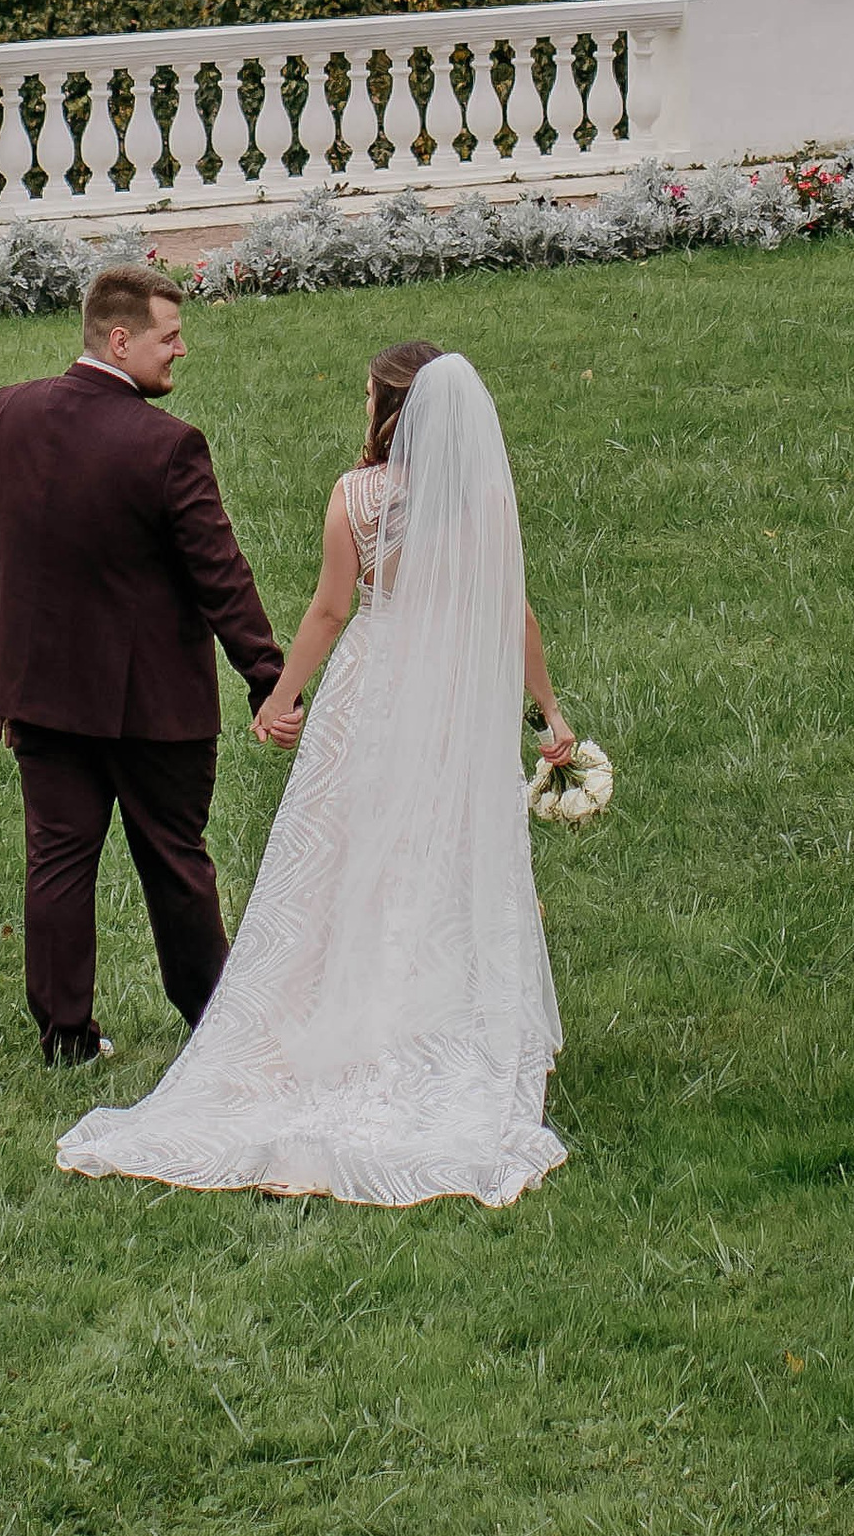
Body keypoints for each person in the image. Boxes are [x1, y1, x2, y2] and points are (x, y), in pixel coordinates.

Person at [57, 343, 579, 1208]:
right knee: (443, 857)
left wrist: (282, 697)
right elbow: (512, 608)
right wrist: (549, 713)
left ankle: (341, 1025)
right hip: (453, 697)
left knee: (350, 859)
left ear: (385, 411)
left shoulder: (357, 496)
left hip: (372, 694)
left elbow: (333, 607)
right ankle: (440, 1025)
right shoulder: (482, 496)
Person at [0, 261, 283, 1068]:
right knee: (177, 863)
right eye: (169, 337)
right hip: (152, 710)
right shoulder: (168, 445)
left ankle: (65, 1036)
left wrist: (2, 676)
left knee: (59, 862)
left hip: (42, 698)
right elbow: (221, 576)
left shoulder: (5, 414)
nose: (182, 352)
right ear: (120, 338)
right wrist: (271, 680)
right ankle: (214, 1025)